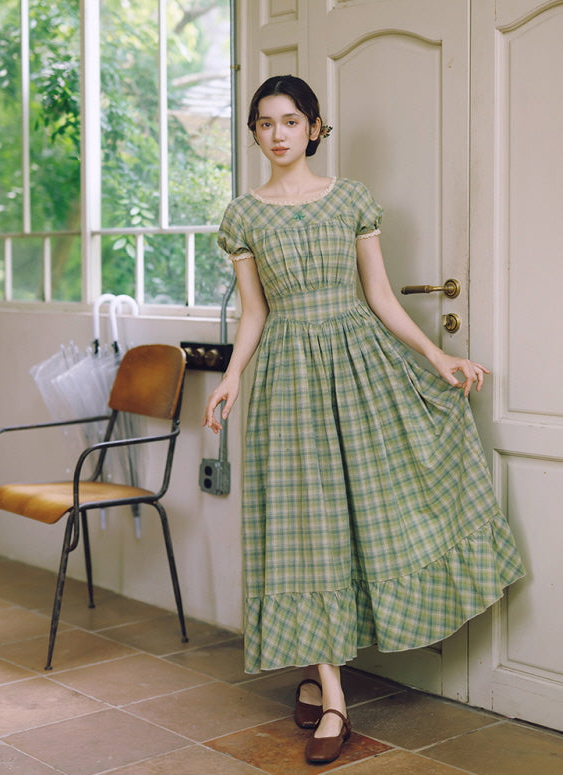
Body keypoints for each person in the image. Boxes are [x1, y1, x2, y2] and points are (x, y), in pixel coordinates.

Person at [202, 75, 524, 765]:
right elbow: (254, 311)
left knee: (373, 510)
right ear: (255, 133)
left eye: (291, 121)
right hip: (288, 377)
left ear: (315, 128)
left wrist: (435, 355)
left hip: (361, 365)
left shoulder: (349, 199)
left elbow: (377, 294)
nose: (278, 133)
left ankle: (322, 682)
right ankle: (333, 695)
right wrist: (231, 375)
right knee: (305, 529)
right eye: (265, 123)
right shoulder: (242, 215)